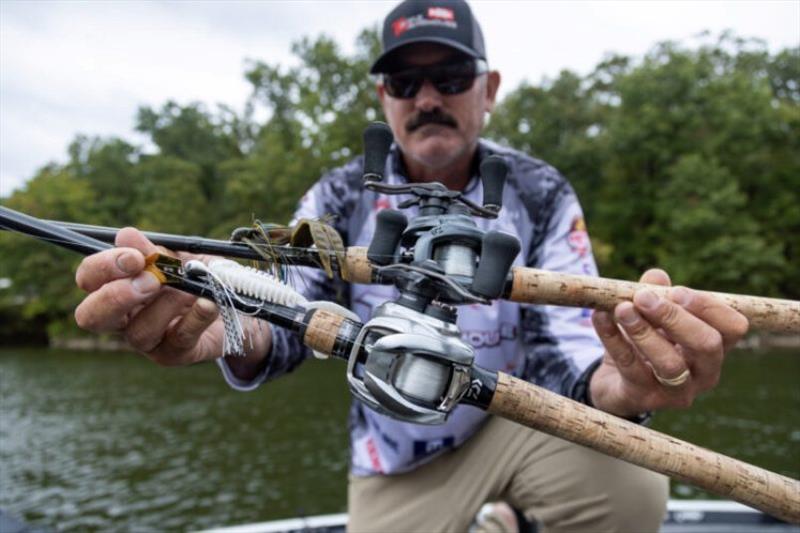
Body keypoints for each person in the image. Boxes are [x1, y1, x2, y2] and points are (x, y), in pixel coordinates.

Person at [73, 1, 749, 531]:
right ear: (384, 100)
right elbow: (285, 315)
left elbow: (564, 349)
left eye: (451, 78)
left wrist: (623, 386)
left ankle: (508, 511)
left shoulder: (540, 191)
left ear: (488, 89)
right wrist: (219, 322)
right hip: (396, 450)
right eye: (406, 80)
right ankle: (498, 523)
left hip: (518, 421)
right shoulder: (337, 197)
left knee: (632, 490)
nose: (428, 97)